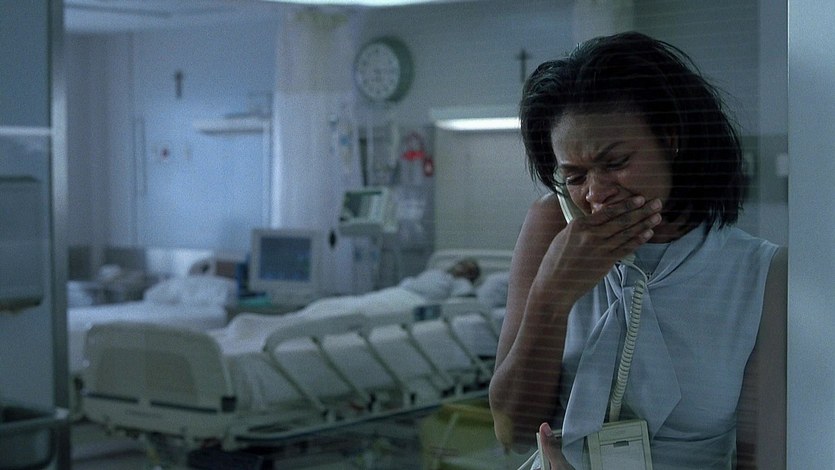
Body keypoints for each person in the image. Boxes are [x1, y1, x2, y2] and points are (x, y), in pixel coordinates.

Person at [488, 32, 786, 469]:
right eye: (575, 177)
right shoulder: (552, 225)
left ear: (670, 139)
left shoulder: (761, 273)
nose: (596, 194)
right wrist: (550, 298)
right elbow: (511, 431)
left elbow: (761, 458)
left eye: (615, 163)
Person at [398, 257, 481, 301]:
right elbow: (413, 282)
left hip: (420, 301)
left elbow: (464, 298)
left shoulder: (462, 284)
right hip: (406, 292)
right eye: (462, 264)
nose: (463, 268)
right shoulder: (437, 272)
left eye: (469, 270)